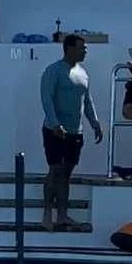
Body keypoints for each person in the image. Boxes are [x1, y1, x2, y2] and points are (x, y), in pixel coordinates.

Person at [39, 33, 103, 232]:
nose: (85, 51)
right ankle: (47, 213)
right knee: (55, 170)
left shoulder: (83, 73)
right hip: (54, 130)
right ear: (69, 49)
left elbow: (87, 101)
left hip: (76, 133)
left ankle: (63, 215)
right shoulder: (53, 71)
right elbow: (46, 99)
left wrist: (95, 123)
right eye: (82, 48)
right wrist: (55, 123)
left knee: (66, 174)